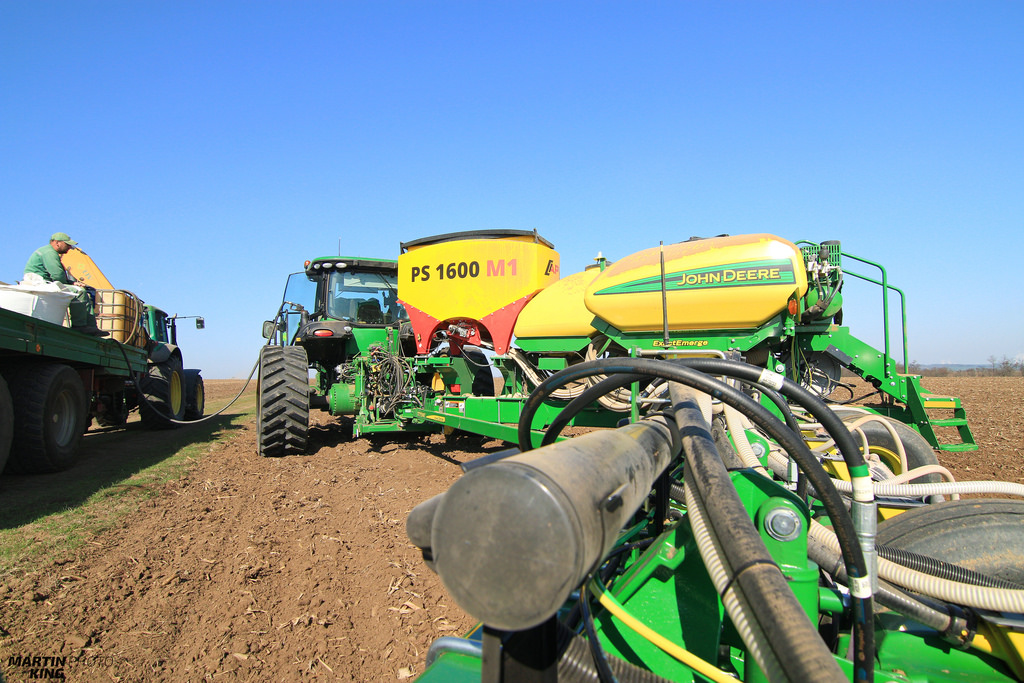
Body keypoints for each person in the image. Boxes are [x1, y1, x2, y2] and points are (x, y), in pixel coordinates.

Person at [24, 232, 107, 336]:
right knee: (79, 292)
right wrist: (72, 285)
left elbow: (57, 276)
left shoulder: (47, 251)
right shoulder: (49, 253)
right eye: (67, 244)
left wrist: (72, 282)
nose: (70, 247)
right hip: (40, 282)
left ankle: (91, 327)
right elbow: (57, 275)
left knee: (80, 290)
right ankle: (80, 326)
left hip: (45, 281)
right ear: (57, 243)